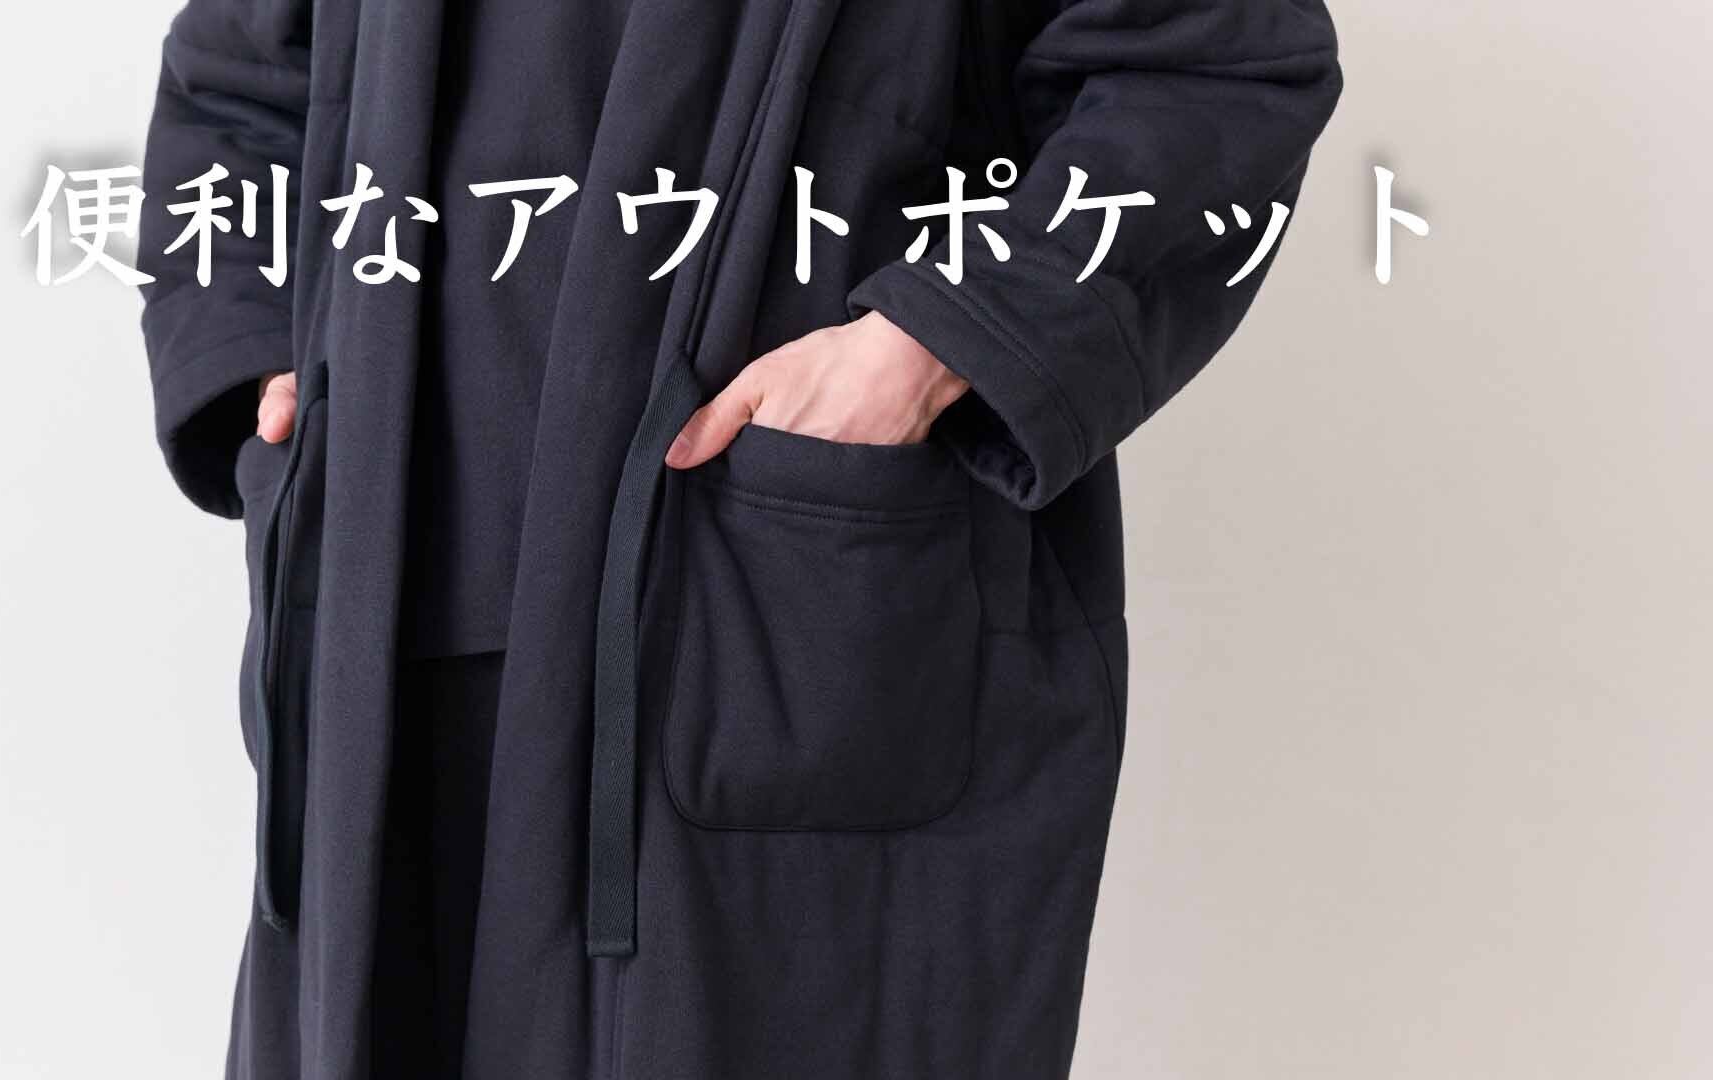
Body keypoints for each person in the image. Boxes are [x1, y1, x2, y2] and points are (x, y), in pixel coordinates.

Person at [135, 1, 1341, 1077]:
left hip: (772, 615)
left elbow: (1217, 61)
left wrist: (933, 346)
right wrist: (253, 362)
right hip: (382, 636)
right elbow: (233, 88)